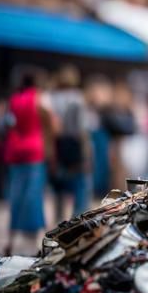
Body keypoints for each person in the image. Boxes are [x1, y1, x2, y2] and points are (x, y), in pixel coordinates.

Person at [1, 69, 55, 255]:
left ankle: (11, 240)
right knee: (33, 196)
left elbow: (7, 123)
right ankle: (36, 243)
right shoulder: (40, 98)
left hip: (16, 152)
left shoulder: (14, 99)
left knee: (16, 196)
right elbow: (51, 123)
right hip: (34, 152)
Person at [49, 65, 92, 220]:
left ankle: (58, 219)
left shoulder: (51, 97)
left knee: (59, 185)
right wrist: (87, 153)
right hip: (74, 145)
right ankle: (78, 219)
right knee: (81, 184)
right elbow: (82, 129)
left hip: (57, 145)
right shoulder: (77, 98)